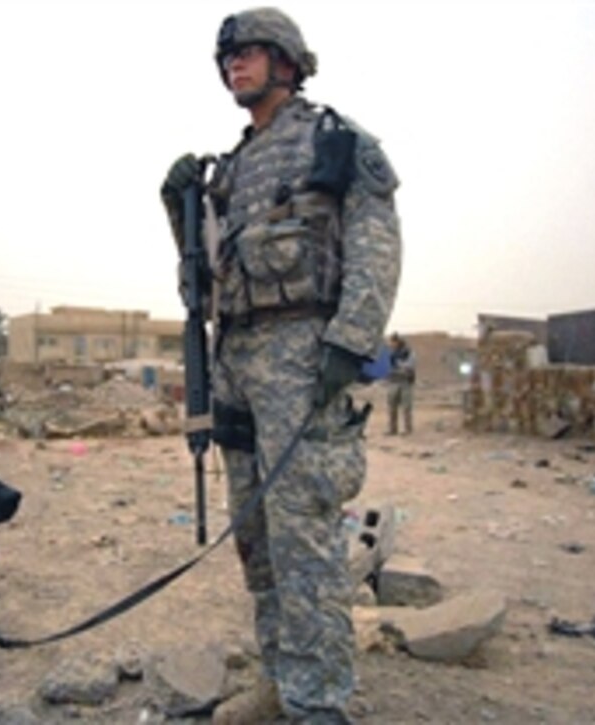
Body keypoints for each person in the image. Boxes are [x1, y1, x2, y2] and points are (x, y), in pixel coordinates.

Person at [159, 8, 402, 723]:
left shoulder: (333, 141)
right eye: (227, 57)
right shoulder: (228, 170)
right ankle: (280, 681)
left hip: (302, 361)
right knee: (257, 539)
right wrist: (180, 212)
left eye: (250, 53)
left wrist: (350, 342)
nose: (235, 64)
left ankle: (319, 703)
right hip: (236, 359)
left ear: (287, 63)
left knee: (305, 541)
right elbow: (199, 289)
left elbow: (376, 242)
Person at [386, 332, 416, 435]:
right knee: (392, 407)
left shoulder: (408, 352)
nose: (392, 344)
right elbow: (387, 367)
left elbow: (410, 366)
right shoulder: (391, 354)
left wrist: (398, 365)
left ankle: (408, 429)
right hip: (394, 382)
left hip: (405, 382)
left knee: (406, 407)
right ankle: (392, 429)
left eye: (393, 342)